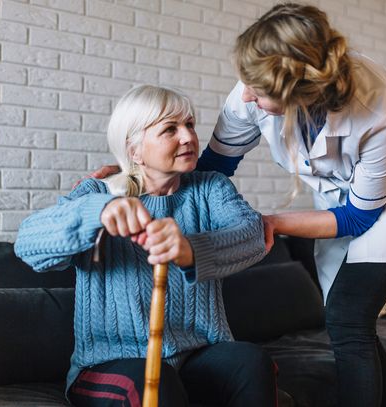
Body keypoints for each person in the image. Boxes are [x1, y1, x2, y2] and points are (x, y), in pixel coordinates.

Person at [91, 3, 386, 407]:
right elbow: (214, 167)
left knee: (348, 316)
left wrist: (274, 221)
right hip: (342, 188)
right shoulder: (249, 92)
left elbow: (358, 216)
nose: (245, 95)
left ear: (298, 96)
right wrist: (132, 177)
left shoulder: (372, 110)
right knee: (348, 318)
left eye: (258, 92)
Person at [14, 85, 278, 407]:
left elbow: (252, 234)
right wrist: (97, 211)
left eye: (190, 125)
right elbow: (28, 244)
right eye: (170, 129)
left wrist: (191, 250)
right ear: (135, 150)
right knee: (153, 382)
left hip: (197, 355)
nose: (188, 137)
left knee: (250, 361)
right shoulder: (98, 192)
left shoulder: (209, 188)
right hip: (111, 363)